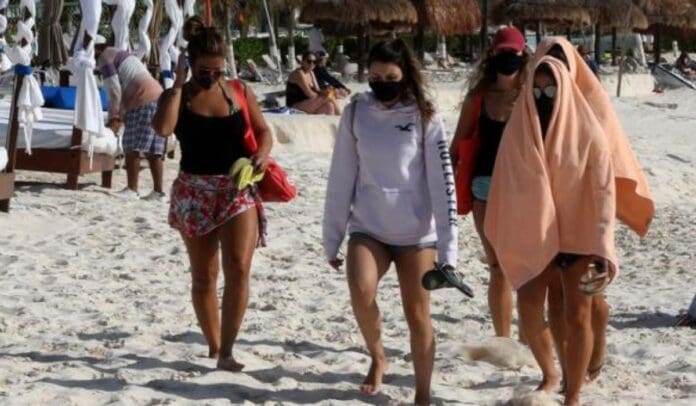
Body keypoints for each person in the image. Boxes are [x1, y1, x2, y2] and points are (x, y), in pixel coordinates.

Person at [322, 39, 460, 405]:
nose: (382, 84)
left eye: (391, 78)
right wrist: (332, 238)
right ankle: (378, 355)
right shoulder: (356, 113)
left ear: (406, 76)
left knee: (418, 314)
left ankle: (423, 394)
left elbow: (443, 185)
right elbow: (341, 177)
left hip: (417, 235)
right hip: (369, 228)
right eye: (375, 77)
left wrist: (449, 253)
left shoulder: (425, 117)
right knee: (360, 290)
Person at [484, 57, 621, 406]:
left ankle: (573, 393)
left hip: (582, 237)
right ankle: (551, 373)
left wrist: (603, 245)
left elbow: (604, 193)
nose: (544, 97)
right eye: (537, 90)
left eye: (551, 90)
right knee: (531, 307)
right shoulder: (519, 131)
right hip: (536, 234)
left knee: (578, 313)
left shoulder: (588, 132)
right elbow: (505, 184)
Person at [151, 16, 272, 371]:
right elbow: (163, 129)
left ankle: (228, 351)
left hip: (236, 189)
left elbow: (264, 131)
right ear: (190, 63)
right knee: (204, 276)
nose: (212, 76)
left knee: (239, 268)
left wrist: (262, 155)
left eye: (217, 70)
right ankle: (214, 345)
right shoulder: (179, 96)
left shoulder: (237, 91)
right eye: (204, 70)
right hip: (195, 192)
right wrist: (177, 84)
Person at [536, 37, 654, 387]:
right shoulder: (532, 102)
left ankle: (596, 346)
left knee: (592, 301)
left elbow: (611, 157)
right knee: (557, 298)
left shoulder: (592, 102)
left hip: (589, 214)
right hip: (547, 218)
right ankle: (570, 372)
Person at [450, 26, 529, 339]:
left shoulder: (533, 95)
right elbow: (457, 144)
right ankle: (503, 338)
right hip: (483, 185)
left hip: (524, 189)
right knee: (498, 267)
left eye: (513, 52)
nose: (507, 57)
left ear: (523, 54)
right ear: (492, 54)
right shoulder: (479, 97)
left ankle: (528, 335)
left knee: (524, 267)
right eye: (502, 52)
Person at [98, 45, 166, 199]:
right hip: (159, 97)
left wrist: (114, 117)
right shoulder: (123, 54)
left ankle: (132, 189)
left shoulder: (104, 58)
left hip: (142, 99)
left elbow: (115, 91)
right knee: (154, 150)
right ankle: (158, 192)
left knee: (131, 145)